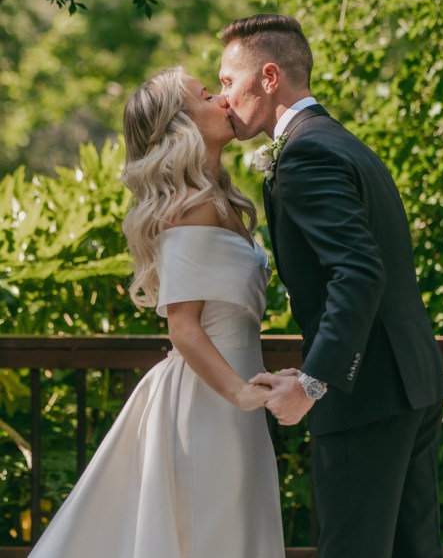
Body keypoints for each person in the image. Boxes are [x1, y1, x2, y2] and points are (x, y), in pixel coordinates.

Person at [219, 13, 443, 558]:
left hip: (365, 395)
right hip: (409, 381)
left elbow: (360, 272)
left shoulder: (304, 153)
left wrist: (313, 383)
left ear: (269, 77)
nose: (224, 97)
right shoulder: (343, 141)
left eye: (229, 81)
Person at [28, 66, 285, 558]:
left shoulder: (222, 200)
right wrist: (241, 394)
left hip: (236, 397)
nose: (224, 102)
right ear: (180, 126)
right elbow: (183, 327)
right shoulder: (190, 206)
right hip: (210, 402)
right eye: (208, 96)